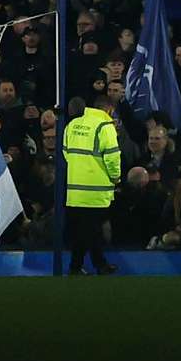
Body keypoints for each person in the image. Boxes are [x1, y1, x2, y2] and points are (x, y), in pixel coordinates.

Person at [60, 77, 124, 275]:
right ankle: (81, 266)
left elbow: (66, 153)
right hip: (97, 190)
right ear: (108, 110)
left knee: (87, 229)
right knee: (90, 230)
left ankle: (90, 265)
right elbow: (113, 157)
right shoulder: (104, 127)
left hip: (75, 189)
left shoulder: (72, 125)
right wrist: (116, 178)